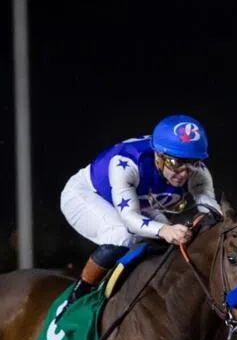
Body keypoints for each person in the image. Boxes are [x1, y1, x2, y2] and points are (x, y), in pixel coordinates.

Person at [59, 114, 221, 302]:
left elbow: (212, 212)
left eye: (192, 164)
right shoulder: (128, 162)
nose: (184, 174)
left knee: (168, 245)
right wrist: (164, 229)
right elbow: (129, 219)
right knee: (121, 235)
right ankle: (78, 295)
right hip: (86, 194)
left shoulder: (198, 173)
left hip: (140, 202)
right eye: (176, 163)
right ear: (158, 155)